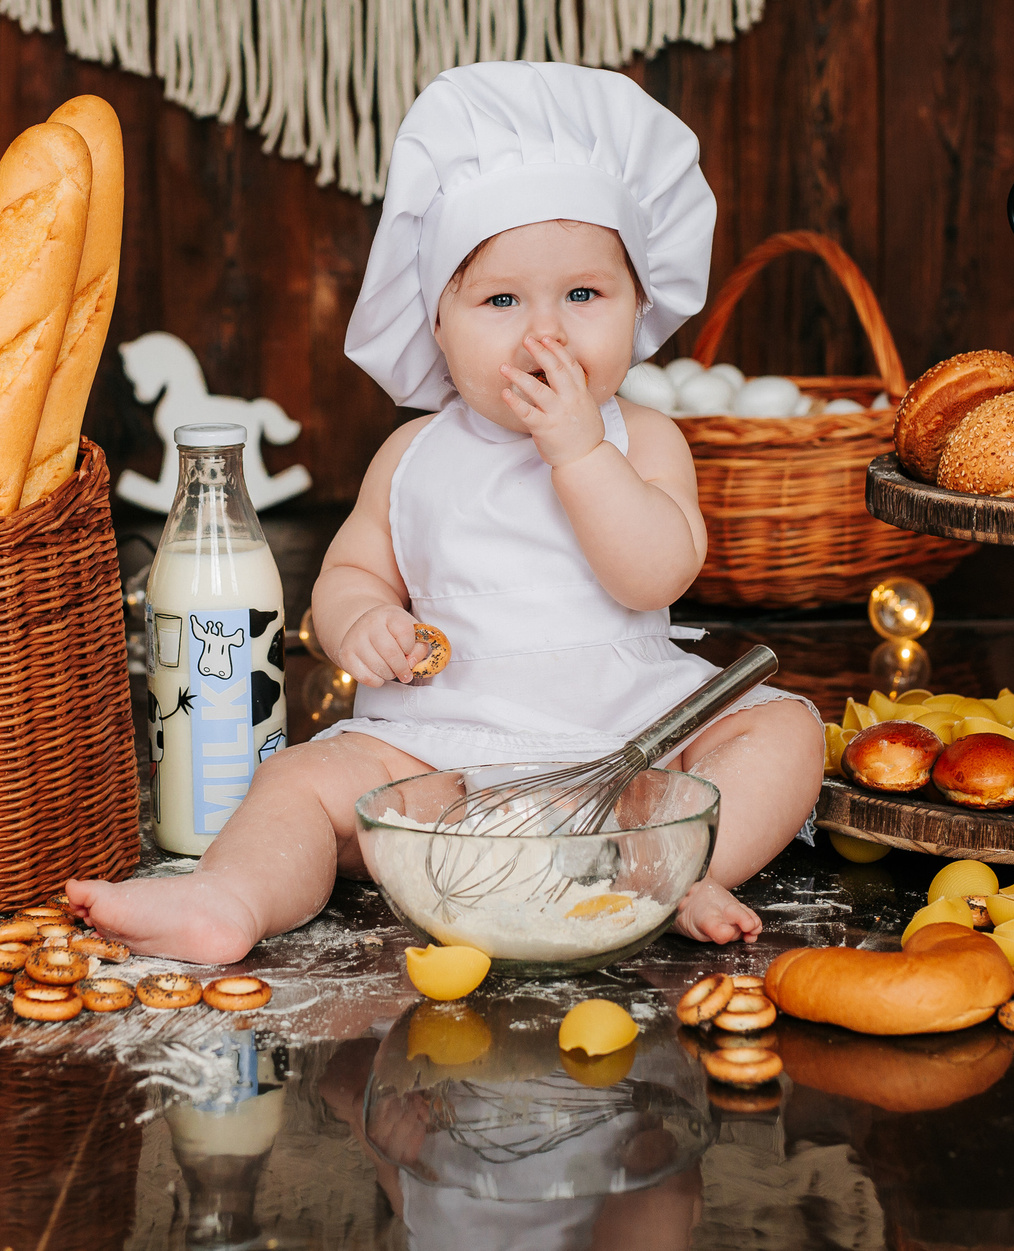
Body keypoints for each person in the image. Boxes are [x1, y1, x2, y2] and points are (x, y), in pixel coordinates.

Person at [70, 63, 826, 963]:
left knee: (786, 731)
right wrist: (363, 624)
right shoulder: (413, 454)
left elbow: (655, 571)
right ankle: (230, 898)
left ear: (639, 306)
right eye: (502, 300)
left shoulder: (644, 437)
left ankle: (681, 868)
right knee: (299, 780)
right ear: (438, 322)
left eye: (584, 295)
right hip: (439, 756)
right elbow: (350, 576)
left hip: (627, 746)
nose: (545, 333)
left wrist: (581, 452)